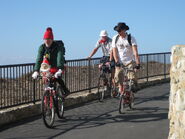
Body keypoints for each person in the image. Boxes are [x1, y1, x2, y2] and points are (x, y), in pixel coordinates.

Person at [32, 27, 70, 96]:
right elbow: (39, 59)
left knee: (57, 78)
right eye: (45, 39)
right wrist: (36, 70)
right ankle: (48, 97)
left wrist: (60, 69)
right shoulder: (42, 47)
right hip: (48, 66)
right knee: (46, 78)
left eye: (49, 39)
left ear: (52, 39)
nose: (47, 41)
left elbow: (59, 57)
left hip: (58, 65)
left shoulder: (58, 46)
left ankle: (65, 90)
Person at [112, 22, 140, 95]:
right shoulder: (115, 38)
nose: (118, 32)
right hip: (120, 62)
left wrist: (138, 63)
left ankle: (134, 86)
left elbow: (135, 52)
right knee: (117, 77)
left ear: (124, 30)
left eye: (120, 30)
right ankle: (121, 90)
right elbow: (114, 51)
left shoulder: (131, 38)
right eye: (117, 31)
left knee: (132, 78)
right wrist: (116, 61)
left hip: (129, 61)